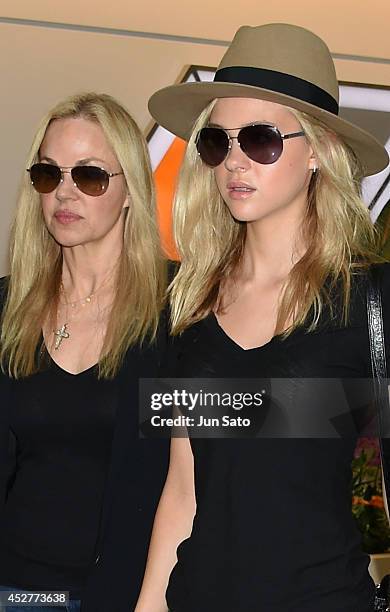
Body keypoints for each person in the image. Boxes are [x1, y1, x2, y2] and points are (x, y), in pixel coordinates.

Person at [136, 24, 390, 612]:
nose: (233, 162)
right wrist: (149, 604)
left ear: (318, 151)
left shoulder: (366, 302)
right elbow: (182, 488)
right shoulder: (191, 303)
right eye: (217, 142)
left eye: (261, 139)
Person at [0, 92, 169, 612]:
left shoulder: (180, 316)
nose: (64, 193)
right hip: (19, 592)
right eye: (50, 175)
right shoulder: (7, 308)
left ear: (129, 192)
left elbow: (202, 479)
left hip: (127, 593)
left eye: (90, 176)